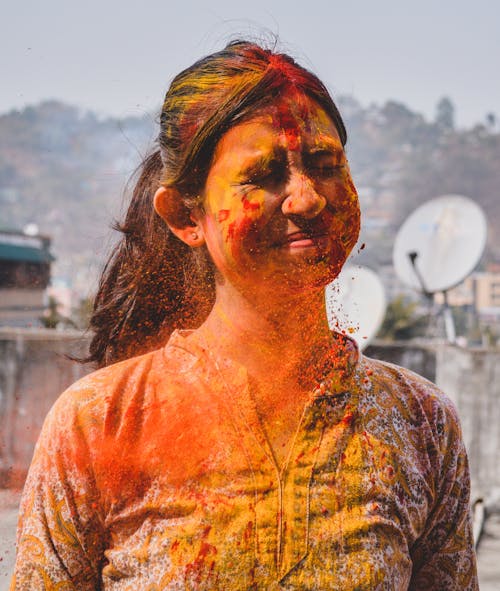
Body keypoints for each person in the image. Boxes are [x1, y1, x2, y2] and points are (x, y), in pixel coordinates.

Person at [11, 41, 478, 590]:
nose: (307, 199)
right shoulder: (99, 423)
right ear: (187, 216)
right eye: (263, 175)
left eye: (326, 165)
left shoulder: (421, 422)